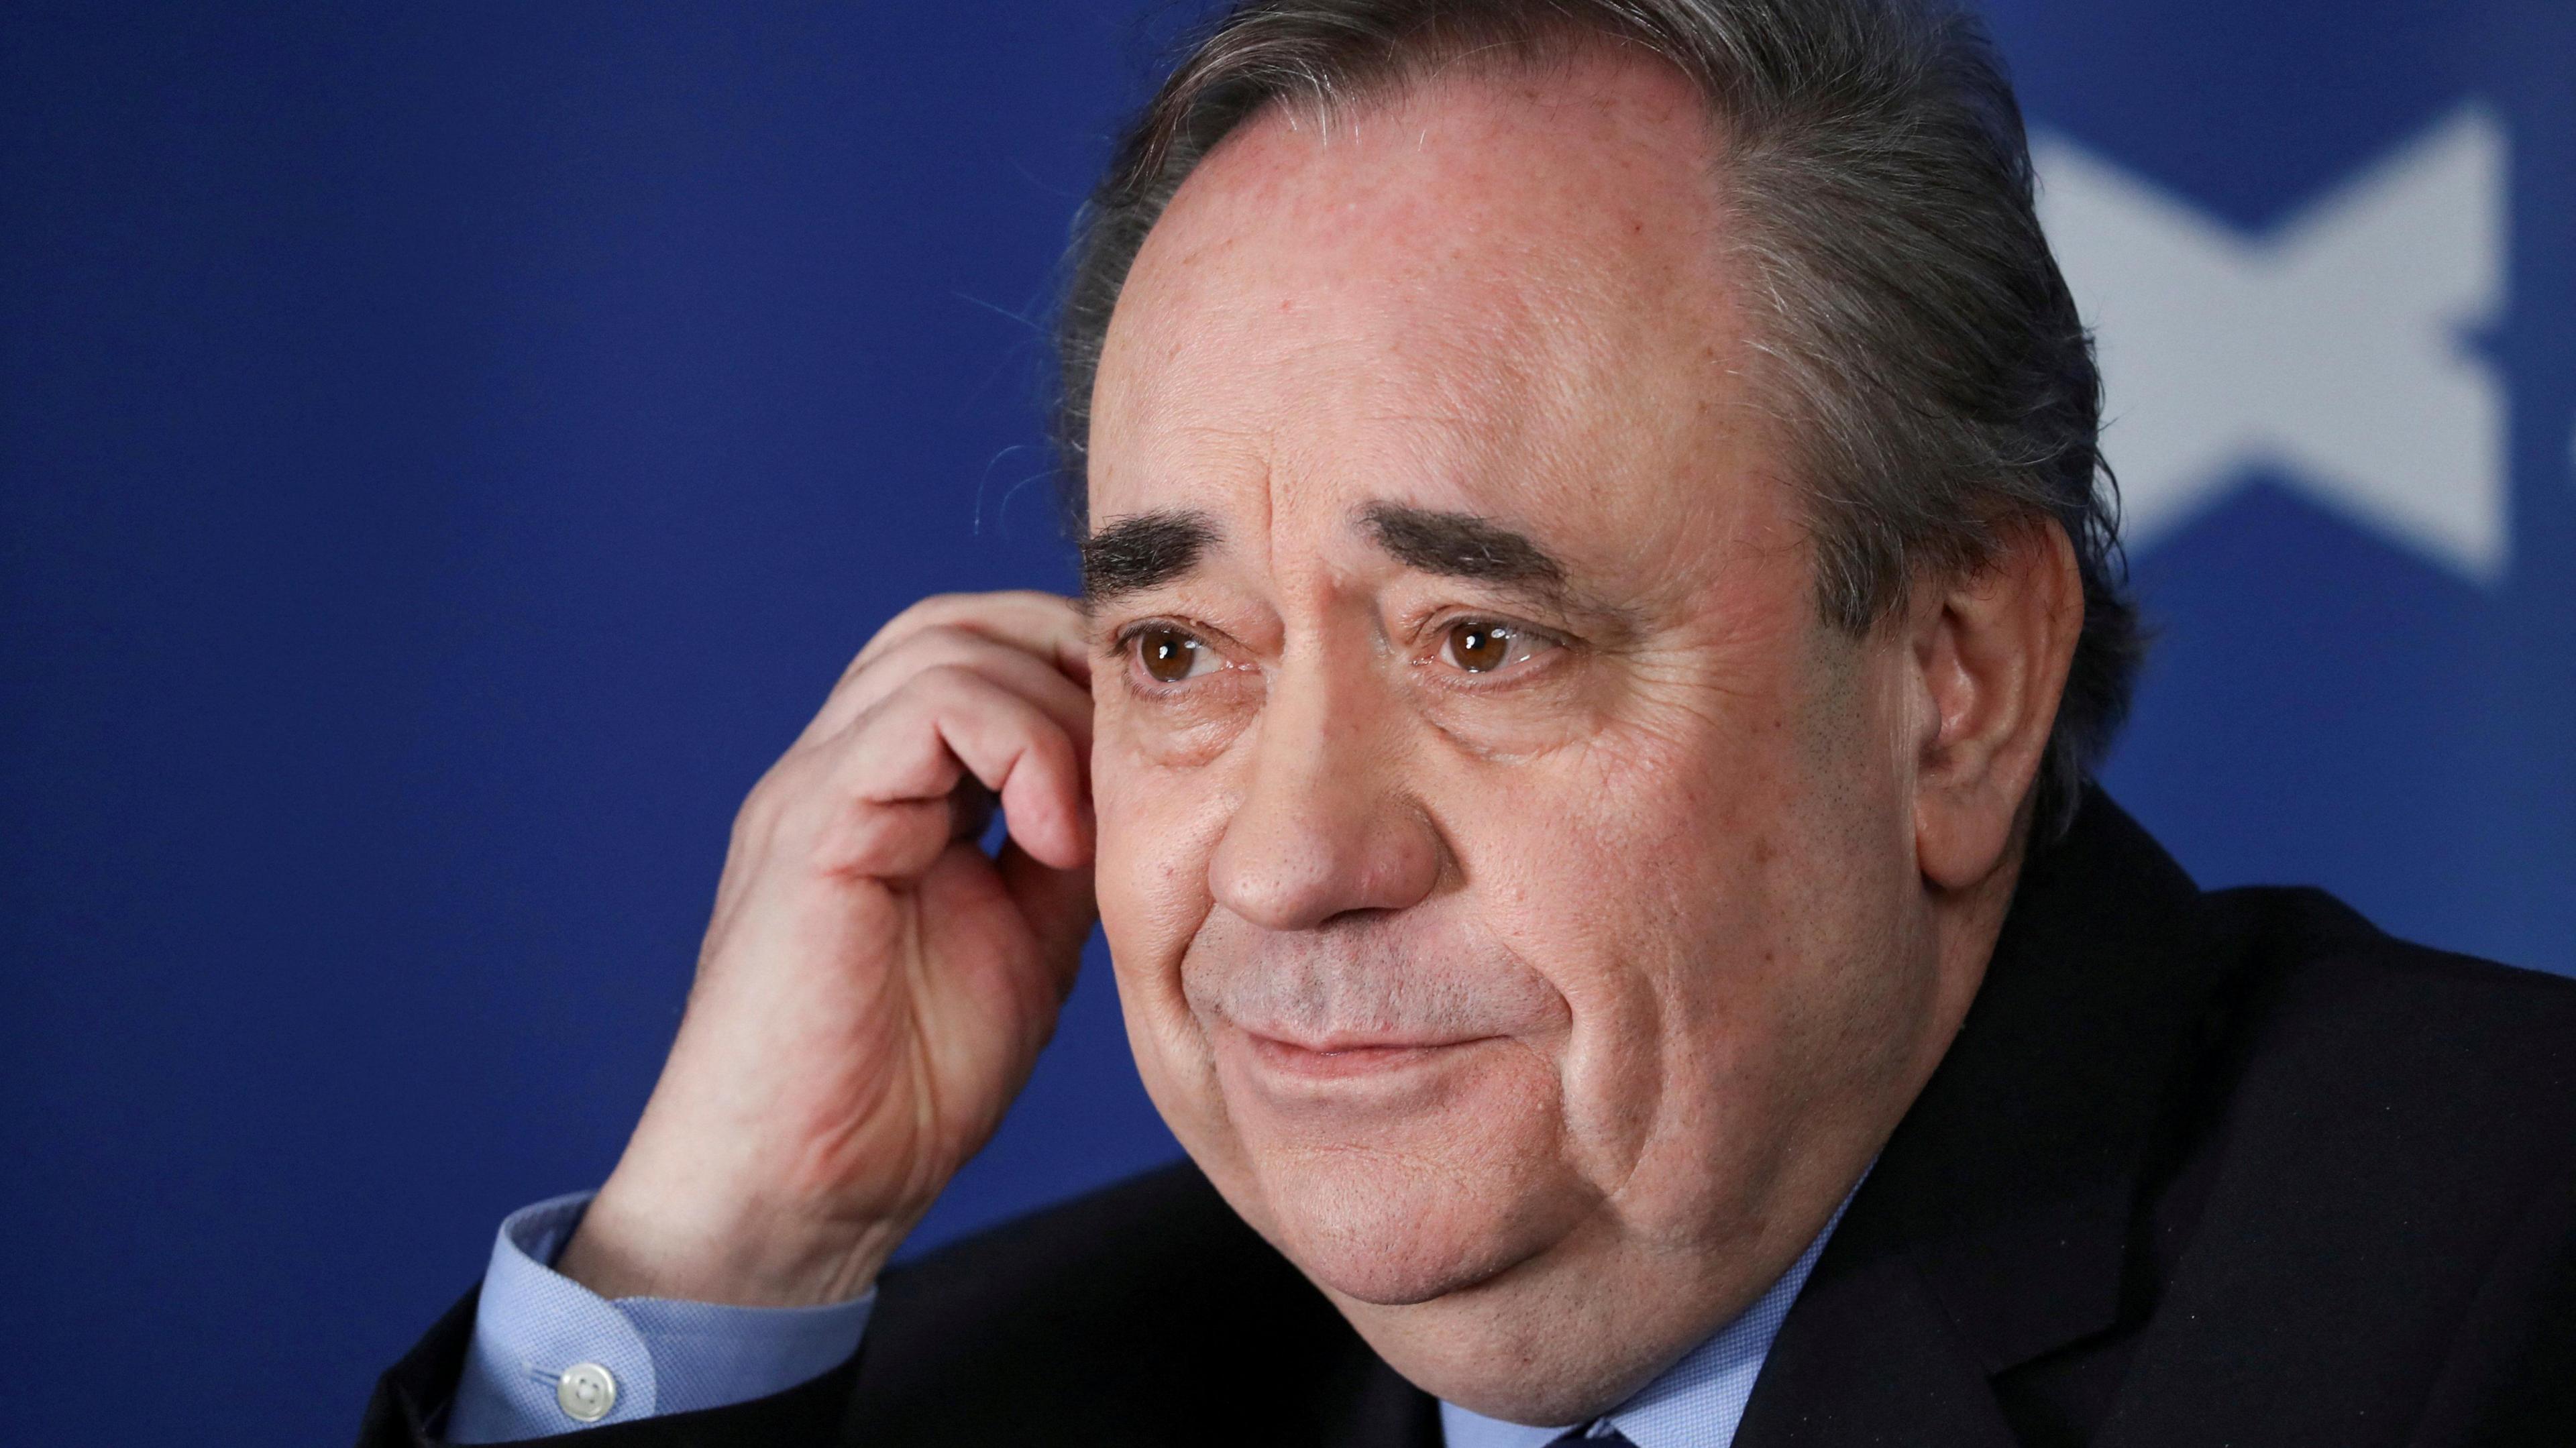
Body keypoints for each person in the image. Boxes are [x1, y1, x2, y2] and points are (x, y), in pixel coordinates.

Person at [358, 0, 2576, 1443]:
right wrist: (720, 1267)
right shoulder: (991, 1396)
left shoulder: (2492, 1295)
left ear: (1954, 682)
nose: (1298, 853)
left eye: (1479, 640)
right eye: (1179, 655)